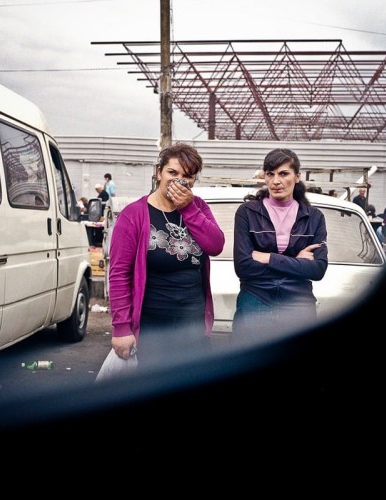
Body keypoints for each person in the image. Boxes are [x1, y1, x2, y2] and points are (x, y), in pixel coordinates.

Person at [108, 142, 225, 366]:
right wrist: (121, 327)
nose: (180, 180)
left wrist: (188, 208)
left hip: (193, 323)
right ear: (159, 172)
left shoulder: (198, 206)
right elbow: (119, 274)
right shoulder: (133, 215)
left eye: (188, 176)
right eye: (172, 172)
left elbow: (216, 245)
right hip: (153, 323)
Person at [232, 148, 328, 343]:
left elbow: (318, 269)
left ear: (297, 176)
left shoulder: (314, 217)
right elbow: (243, 266)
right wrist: (297, 263)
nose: (276, 181)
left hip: (298, 302)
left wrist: (267, 257)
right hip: (256, 298)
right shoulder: (247, 212)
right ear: (265, 177)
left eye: (284, 173)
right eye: (270, 174)